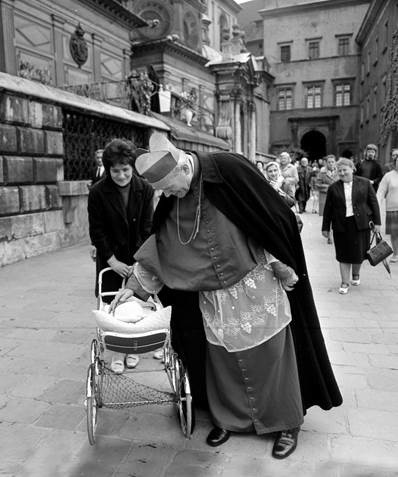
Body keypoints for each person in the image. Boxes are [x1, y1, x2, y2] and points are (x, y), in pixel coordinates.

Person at [111, 132, 342, 459]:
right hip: (213, 298)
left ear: (182, 170)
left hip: (254, 286)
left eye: (168, 186)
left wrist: (281, 264)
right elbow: (160, 248)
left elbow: (266, 220)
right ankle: (230, 419)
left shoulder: (228, 169)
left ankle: (285, 422)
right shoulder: (174, 199)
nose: (167, 194)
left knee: (270, 358)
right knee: (223, 360)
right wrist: (131, 288)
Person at [88, 139, 154, 374]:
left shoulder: (145, 189)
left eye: (125, 169)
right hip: (111, 257)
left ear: (132, 167)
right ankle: (116, 352)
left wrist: (138, 261)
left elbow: (148, 228)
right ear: (108, 169)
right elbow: (96, 230)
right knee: (112, 305)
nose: (121, 175)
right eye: (115, 170)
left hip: (136, 256)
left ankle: (133, 349)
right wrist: (112, 261)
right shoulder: (97, 192)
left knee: (135, 304)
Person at [322, 158, 381, 294]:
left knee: (360, 252)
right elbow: (328, 209)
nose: (342, 173)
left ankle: (356, 274)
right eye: (340, 170)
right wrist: (325, 228)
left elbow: (374, 203)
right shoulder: (333, 188)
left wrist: (377, 223)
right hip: (341, 225)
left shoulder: (365, 183)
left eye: (345, 170)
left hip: (361, 224)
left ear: (352, 169)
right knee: (343, 254)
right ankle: (344, 282)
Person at [377, 149, 398, 262]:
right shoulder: (388, 176)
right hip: (392, 209)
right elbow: (380, 191)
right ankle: (396, 254)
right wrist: (377, 204)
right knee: (395, 234)